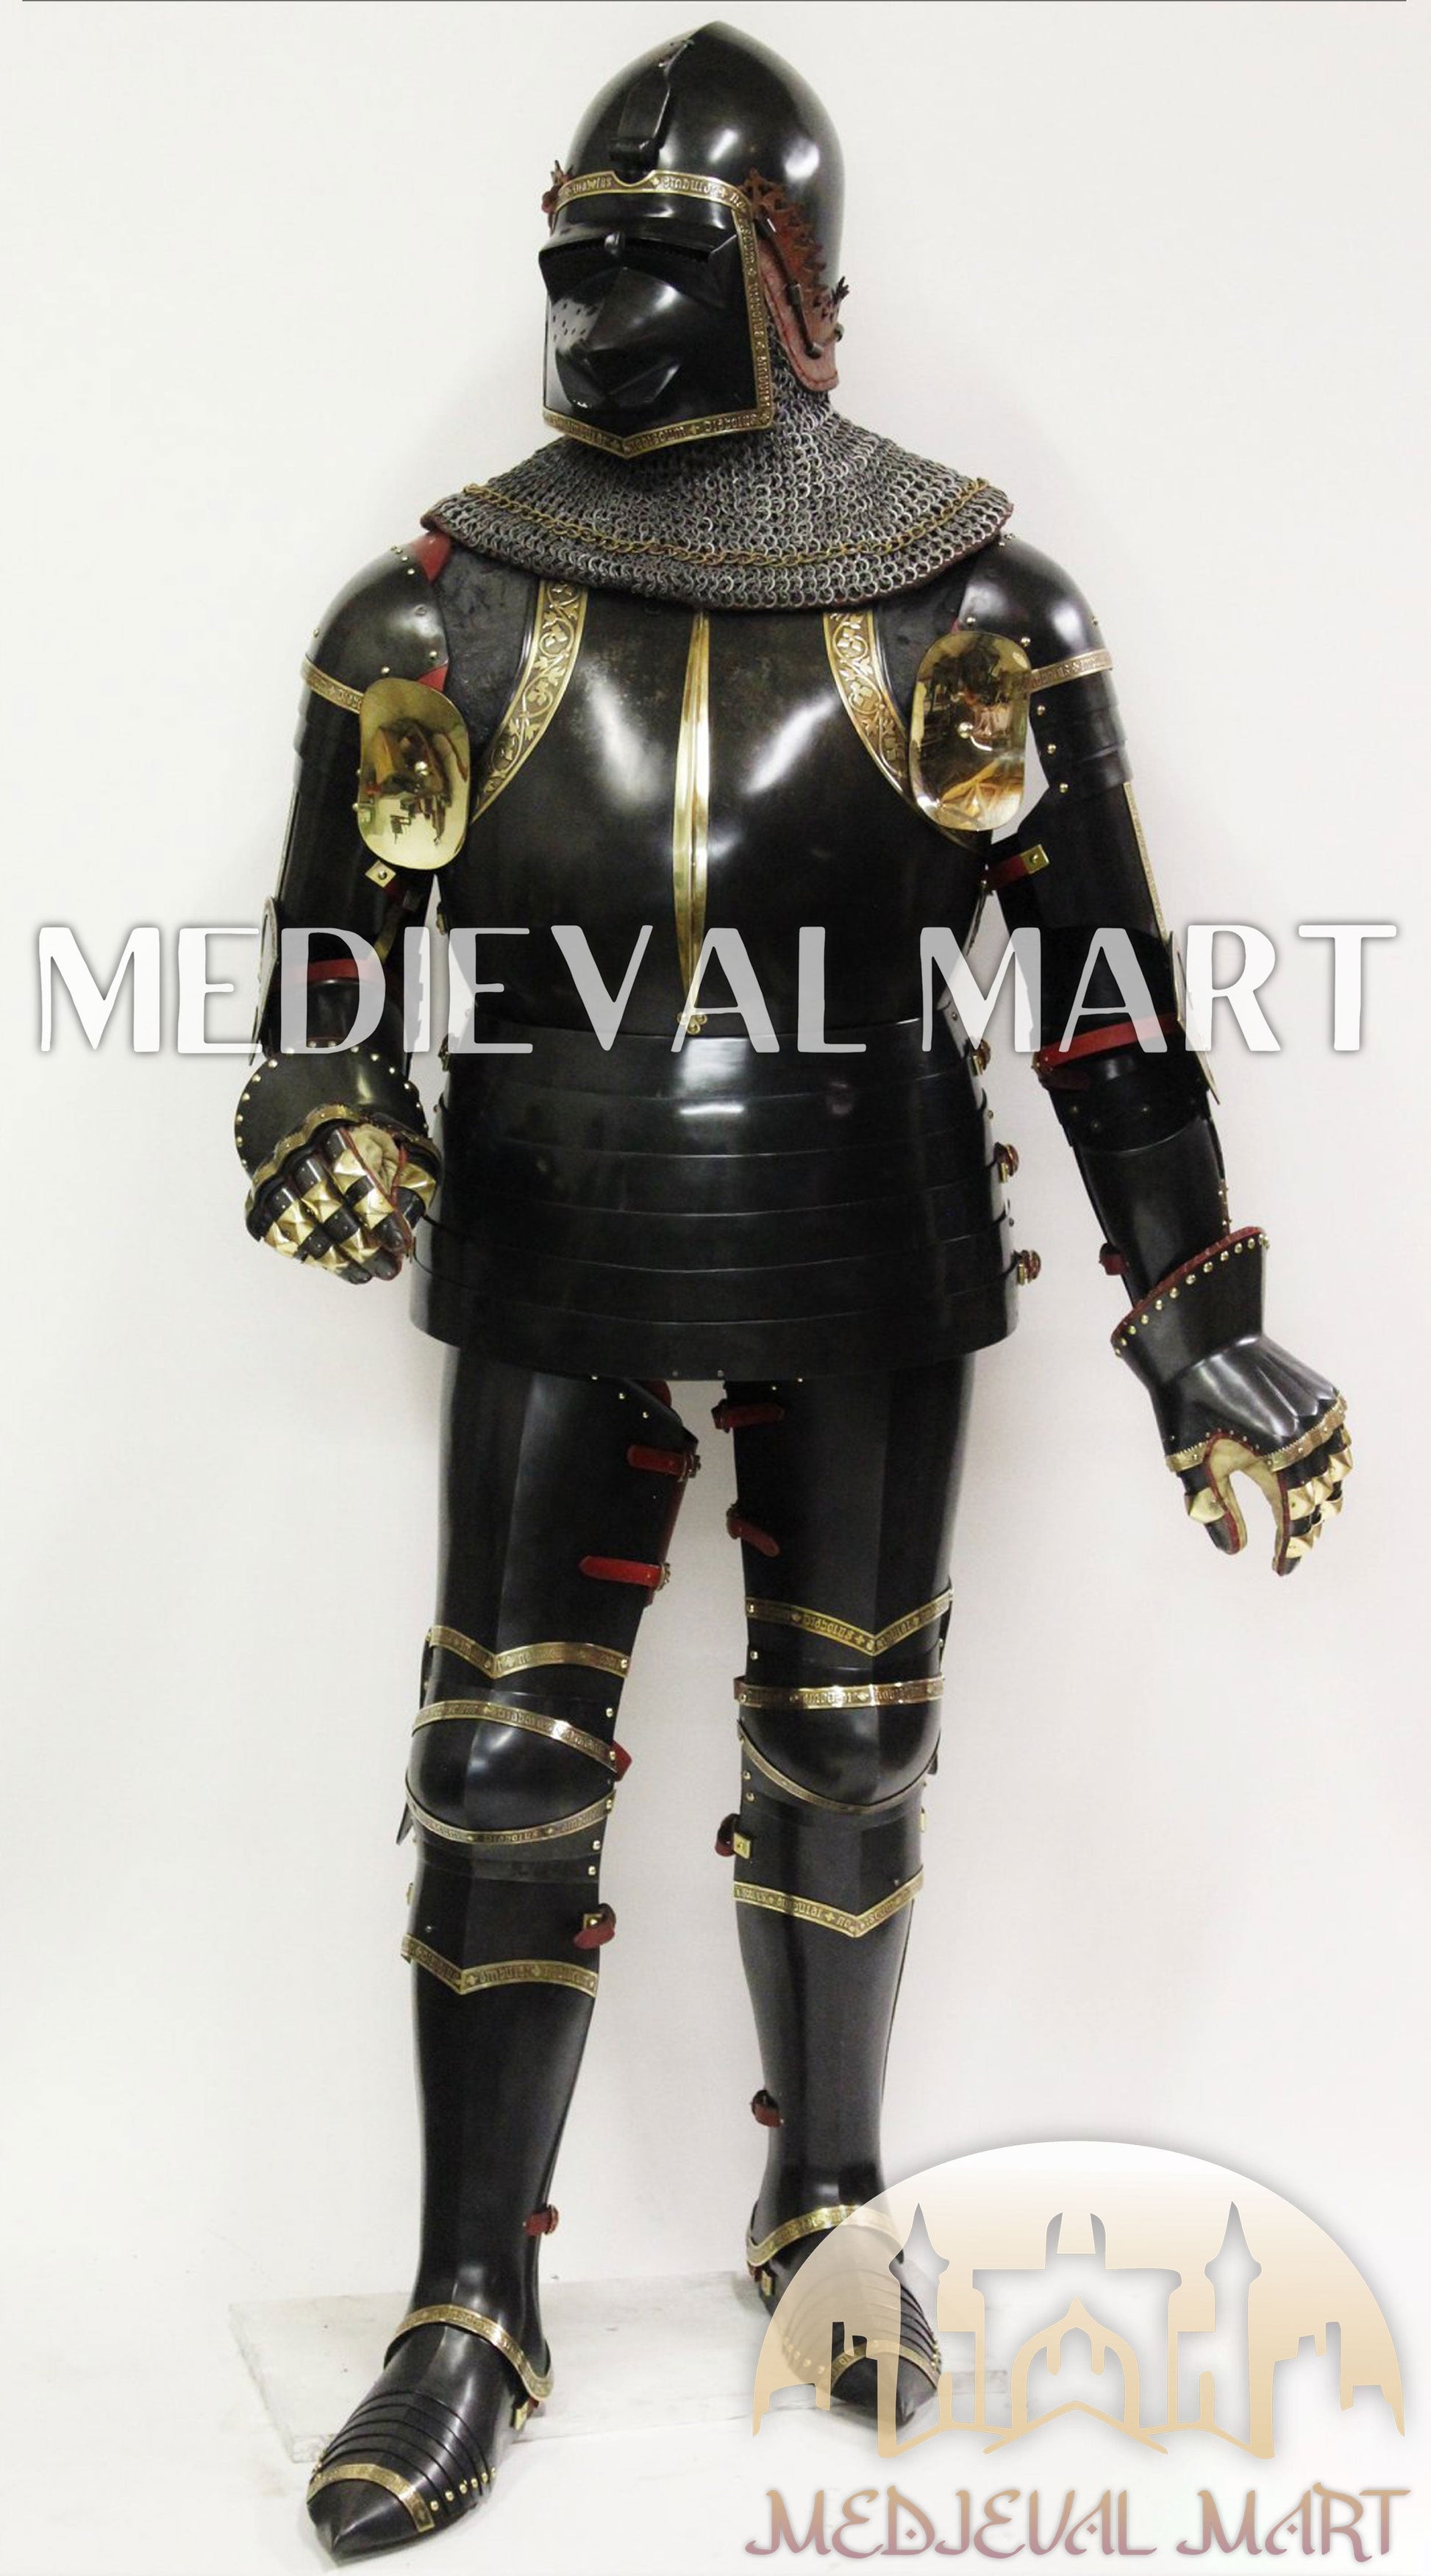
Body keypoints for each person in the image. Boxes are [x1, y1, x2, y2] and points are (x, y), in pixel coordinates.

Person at [234, 24, 1349, 2558]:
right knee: (498, 1771)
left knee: (847, 1744)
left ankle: (823, 2212)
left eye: (651, 258)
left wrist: (1197, 1318)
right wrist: (323, 1110)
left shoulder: (972, 605)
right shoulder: (432, 611)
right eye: (572, 257)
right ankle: (465, 2303)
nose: (592, 308)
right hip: (554, 1209)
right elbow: (325, 981)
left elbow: (1101, 1000)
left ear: (782, 277)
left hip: (864, 1210)